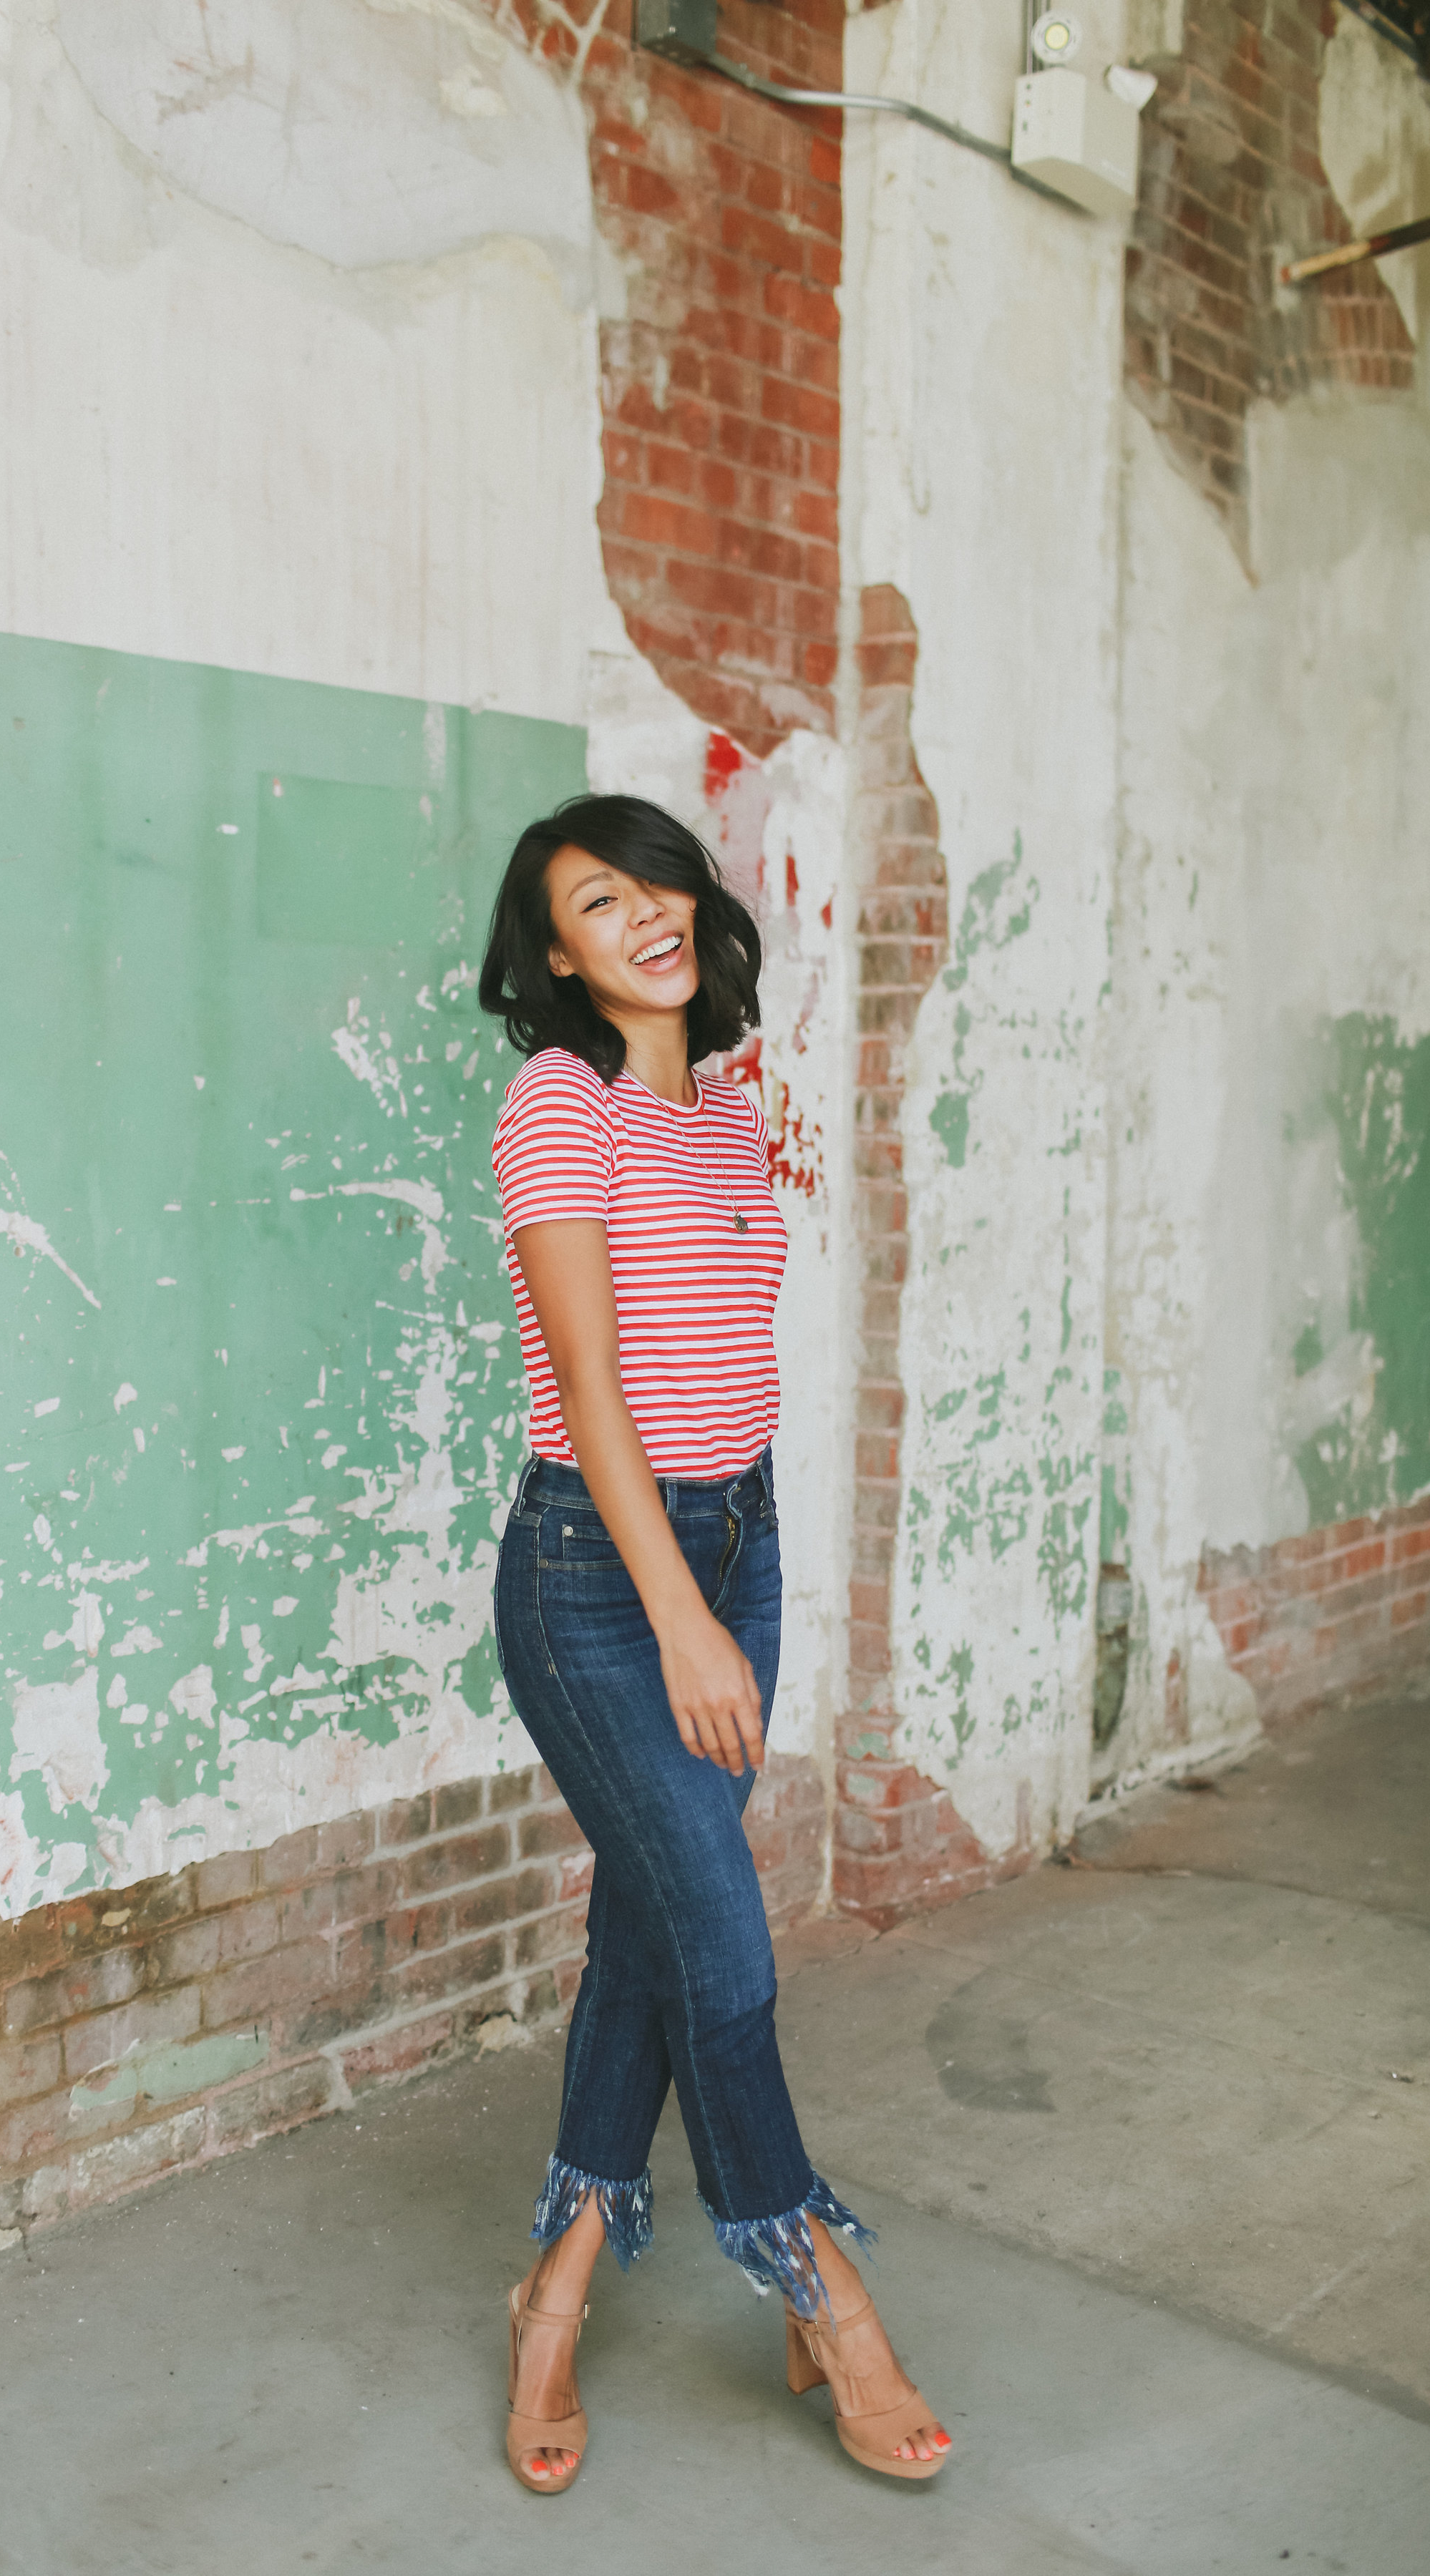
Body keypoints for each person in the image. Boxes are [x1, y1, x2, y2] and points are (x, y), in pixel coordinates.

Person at [478, 794, 953, 2497]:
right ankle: (824, 2295)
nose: (646, 916)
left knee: (651, 1931)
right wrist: (680, 1621)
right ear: (559, 958)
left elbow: (725, 1364)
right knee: (727, 1951)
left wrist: (730, 1584)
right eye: (599, 904)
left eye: (655, 884)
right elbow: (592, 1387)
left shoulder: (730, 1112)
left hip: (735, 1544)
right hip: (600, 1585)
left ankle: (554, 2295)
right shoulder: (559, 1104)